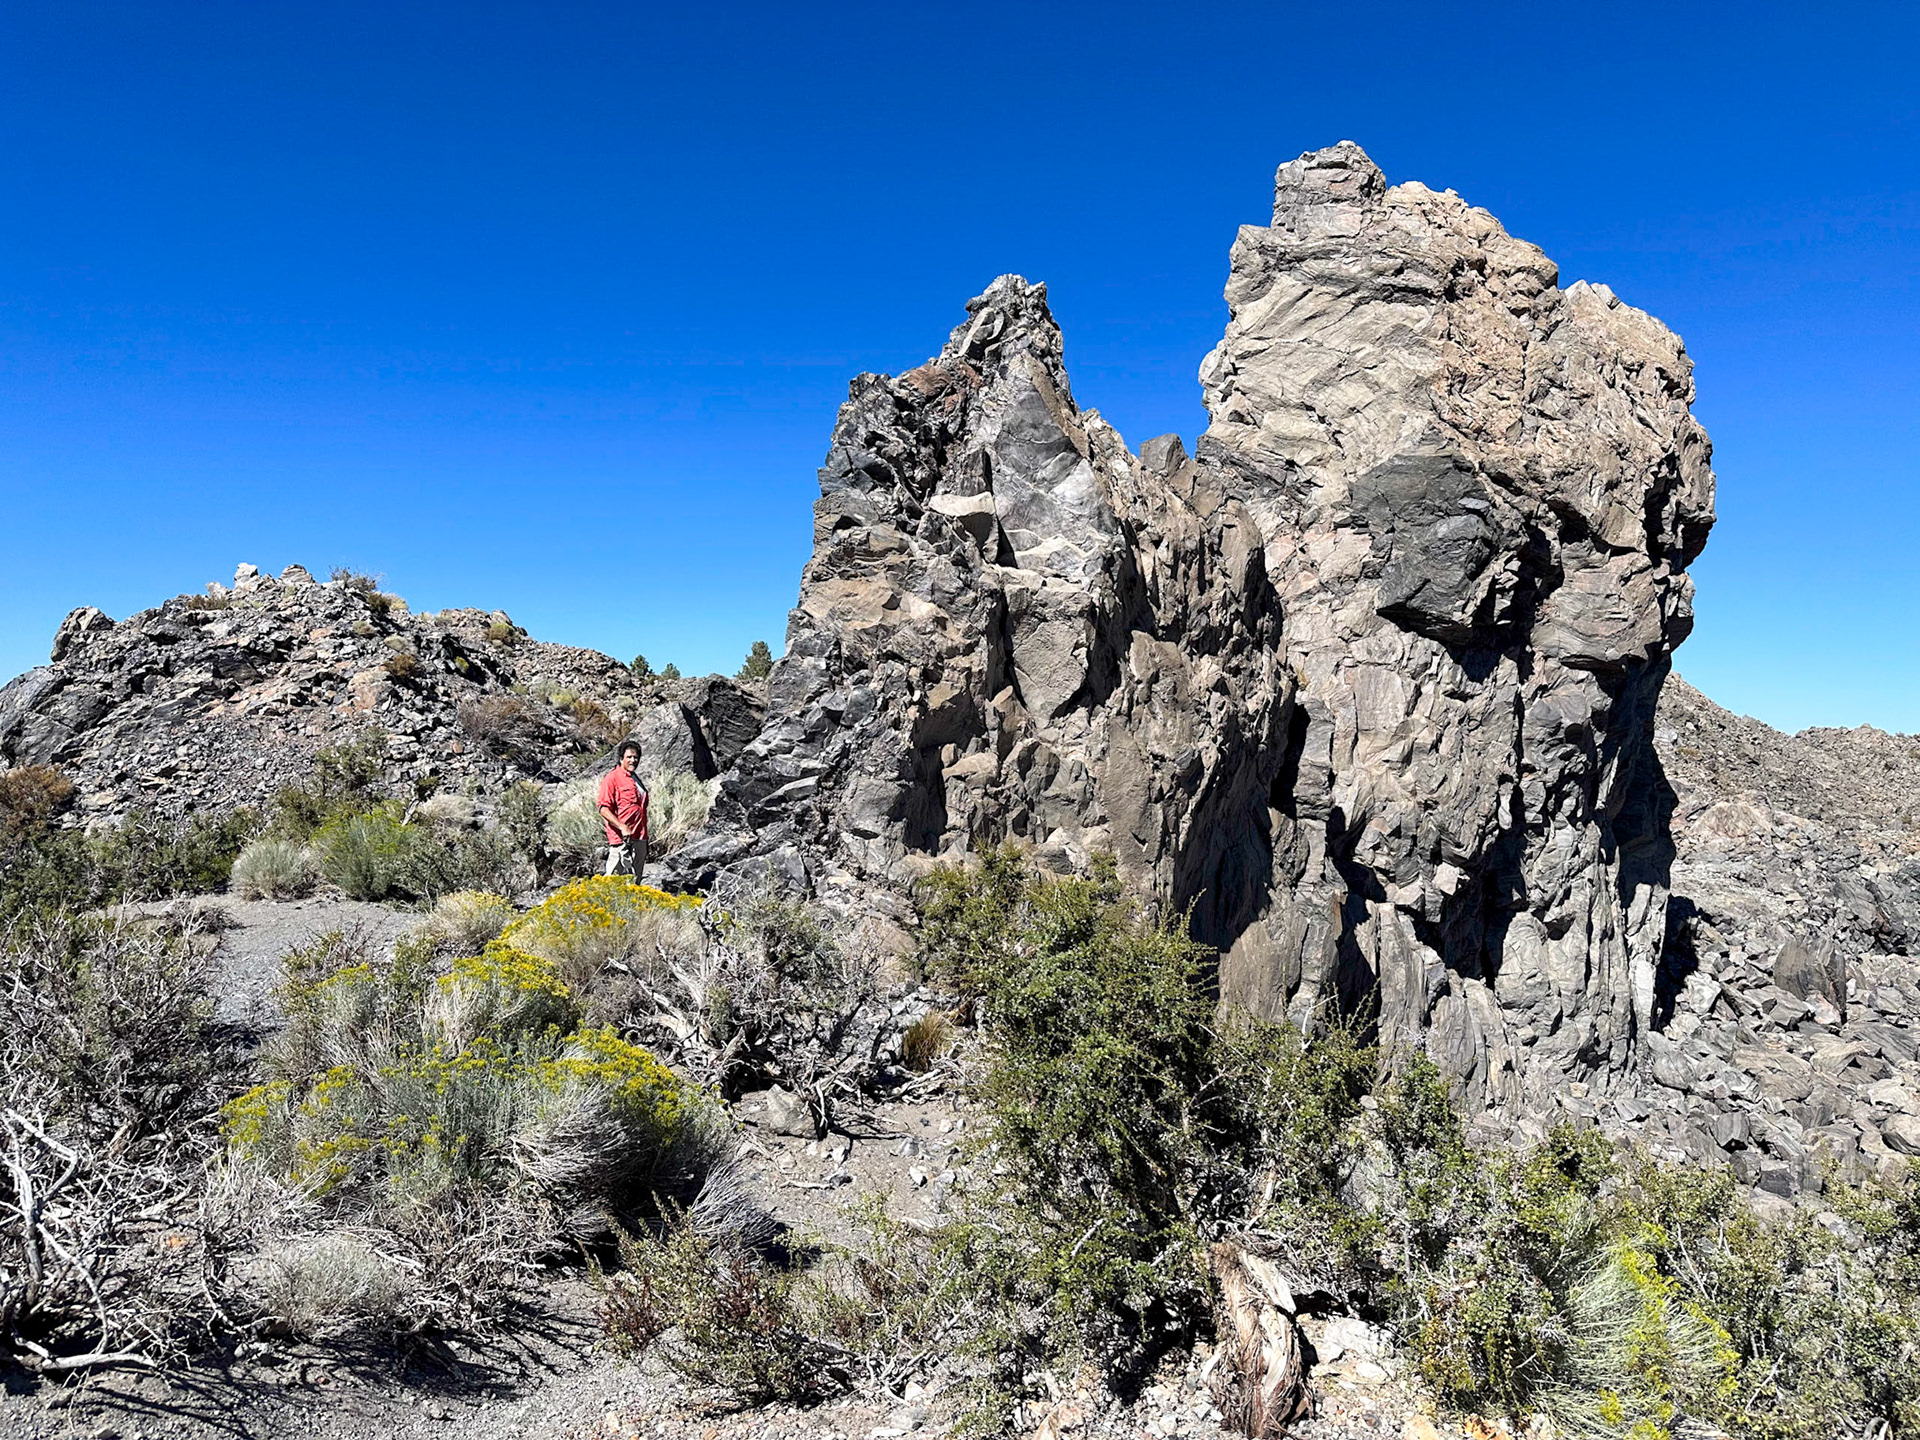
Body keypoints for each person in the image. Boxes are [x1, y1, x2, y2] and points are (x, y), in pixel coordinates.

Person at [596, 740, 649, 879]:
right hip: (621, 839)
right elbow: (603, 808)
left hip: (640, 837)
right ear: (621, 759)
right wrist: (622, 827)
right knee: (613, 882)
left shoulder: (635, 779)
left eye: (636, 757)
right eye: (629, 757)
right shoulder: (612, 778)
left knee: (634, 882)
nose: (633, 760)